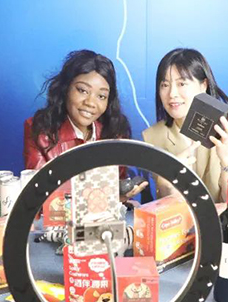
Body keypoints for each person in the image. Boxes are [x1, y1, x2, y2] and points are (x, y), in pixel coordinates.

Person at [23, 50, 147, 200]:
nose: (90, 103)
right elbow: (38, 198)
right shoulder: (39, 130)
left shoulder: (115, 132)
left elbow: (117, 191)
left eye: (101, 96)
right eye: (82, 90)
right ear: (66, 88)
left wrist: (120, 197)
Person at [142, 48, 228, 203]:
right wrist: (167, 181)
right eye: (165, 85)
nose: (172, 94)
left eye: (181, 83)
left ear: (203, 85)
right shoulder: (152, 137)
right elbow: (166, 206)